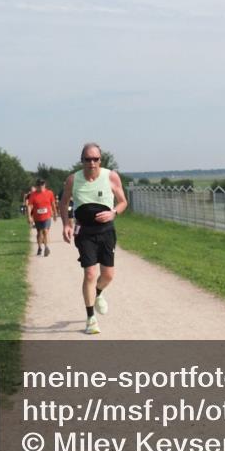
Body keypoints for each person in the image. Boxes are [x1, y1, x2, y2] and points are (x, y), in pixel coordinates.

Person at [60, 142, 127, 335]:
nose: (92, 163)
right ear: (82, 161)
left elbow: (123, 202)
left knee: (108, 275)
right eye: (88, 159)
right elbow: (64, 204)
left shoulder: (111, 176)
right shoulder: (73, 179)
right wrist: (66, 224)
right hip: (84, 232)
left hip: (106, 232)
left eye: (95, 159)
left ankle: (98, 293)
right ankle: (90, 318)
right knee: (89, 273)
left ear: (100, 160)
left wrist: (113, 212)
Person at [26, 179, 58, 257]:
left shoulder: (49, 193)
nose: (41, 187)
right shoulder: (33, 195)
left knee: (45, 231)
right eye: (39, 185)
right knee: (39, 233)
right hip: (37, 217)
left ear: (45, 185)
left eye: (42, 185)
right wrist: (29, 216)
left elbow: (53, 204)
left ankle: (46, 247)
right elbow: (30, 206)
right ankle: (39, 247)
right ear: (36, 186)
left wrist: (55, 213)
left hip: (47, 216)